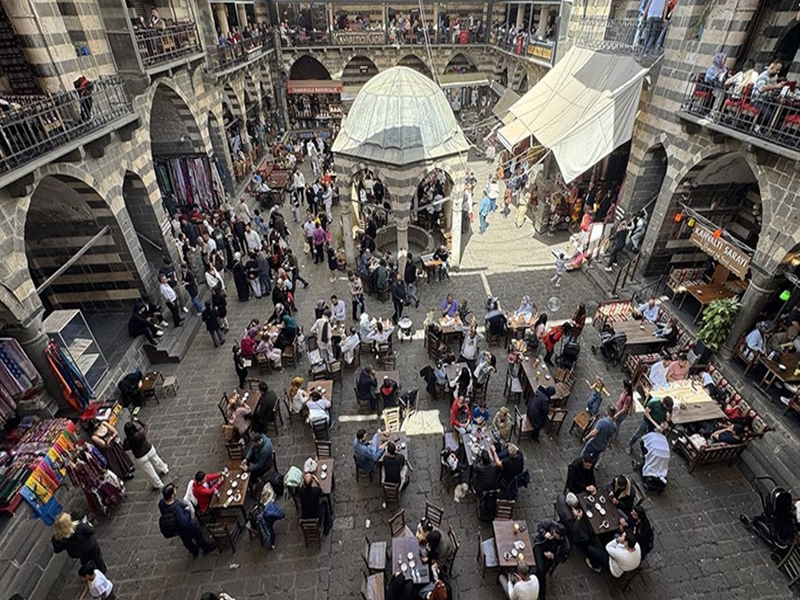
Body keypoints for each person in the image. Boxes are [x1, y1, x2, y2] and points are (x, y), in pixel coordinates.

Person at [158, 484, 216, 557]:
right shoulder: (176, 508)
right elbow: (184, 522)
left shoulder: (162, 503)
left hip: (178, 529)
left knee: (186, 541)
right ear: (172, 495)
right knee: (198, 536)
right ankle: (205, 547)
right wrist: (187, 511)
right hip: (188, 527)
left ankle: (194, 551)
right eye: (174, 490)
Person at [123, 417, 169, 490]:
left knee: (150, 471)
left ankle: (158, 484)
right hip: (149, 450)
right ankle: (164, 469)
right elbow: (145, 426)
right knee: (157, 460)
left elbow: (124, 448)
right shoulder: (140, 433)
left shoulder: (128, 441)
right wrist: (137, 420)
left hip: (141, 457)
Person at [533, 521, 569, 599]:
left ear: (561, 537)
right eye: (554, 532)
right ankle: (541, 594)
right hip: (540, 547)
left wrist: (553, 556)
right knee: (541, 570)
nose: (553, 534)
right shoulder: (552, 525)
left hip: (550, 556)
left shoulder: (565, 546)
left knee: (542, 572)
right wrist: (544, 533)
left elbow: (562, 559)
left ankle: (534, 580)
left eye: (556, 535)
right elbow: (540, 526)